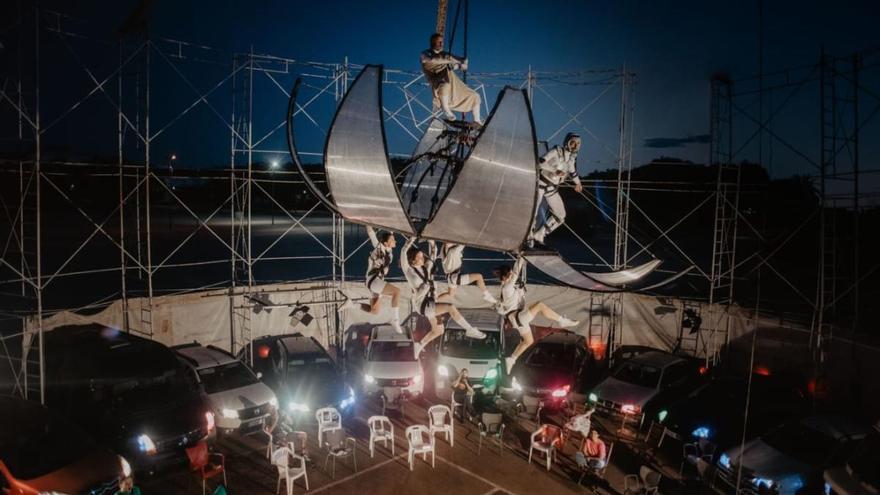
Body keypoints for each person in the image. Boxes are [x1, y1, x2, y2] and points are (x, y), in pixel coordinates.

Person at [400, 237, 485, 356]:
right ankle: (469, 329)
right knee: (450, 307)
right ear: (412, 261)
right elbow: (403, 252)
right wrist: (411, 239)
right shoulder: (409, 271)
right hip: (423, 304)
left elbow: (433, 253)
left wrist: (431, 242)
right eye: (419, 257)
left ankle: (419, 345)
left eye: (422, 256)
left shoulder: (427, 267)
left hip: (430, 302)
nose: (422, 258)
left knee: (439, 330)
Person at [495, 256, 579, 372]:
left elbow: (515, 286)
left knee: (528, 341)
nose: (511, 276)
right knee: (540, 306)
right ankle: (561, 320)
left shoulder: (507, 288)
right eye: (509, 275)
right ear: (506, 276)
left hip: (517, 319)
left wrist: (520, 292)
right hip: (518, 317)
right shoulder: (507, 287)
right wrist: (521, 258)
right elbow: (515, 273)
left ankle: (512, 359)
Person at [339, 226, 403, 334]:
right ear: (386, 243)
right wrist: (367, 223)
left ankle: (352, 304)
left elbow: (389, 235)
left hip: (375, 281)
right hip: (373, 280)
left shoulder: (389, 251)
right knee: (397, 292)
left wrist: (391, 230)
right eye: (392, 240)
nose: (395, 241)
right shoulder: (379, 247)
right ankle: (395, 320)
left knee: (375, 311)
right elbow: (371, 233)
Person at [529, 133, 584, 246]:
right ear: (567, 142)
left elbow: (573, 173)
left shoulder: (571, 159)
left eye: (578, 144)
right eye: (573, 142)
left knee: (560, 215)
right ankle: (528, 237)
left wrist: (578, 184)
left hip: (551, 188)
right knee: (532, 213)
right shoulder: (556, 151)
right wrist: (554, 170)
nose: (575, 146)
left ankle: (540, 234)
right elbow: (539, 163)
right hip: (540, 184)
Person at [420, 33, 482, 124]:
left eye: (442, 42)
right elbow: (435, 60)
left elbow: (452, 65)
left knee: (475, 96)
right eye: (439, 42)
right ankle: (446, 109)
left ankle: (477, 120)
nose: (441, 44)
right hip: (438, 81)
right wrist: (456, 60)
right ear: (433, 42)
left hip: (451, 81)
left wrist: (462, 64)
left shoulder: (444, 54)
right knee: (445, 85)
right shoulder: (425, 54)